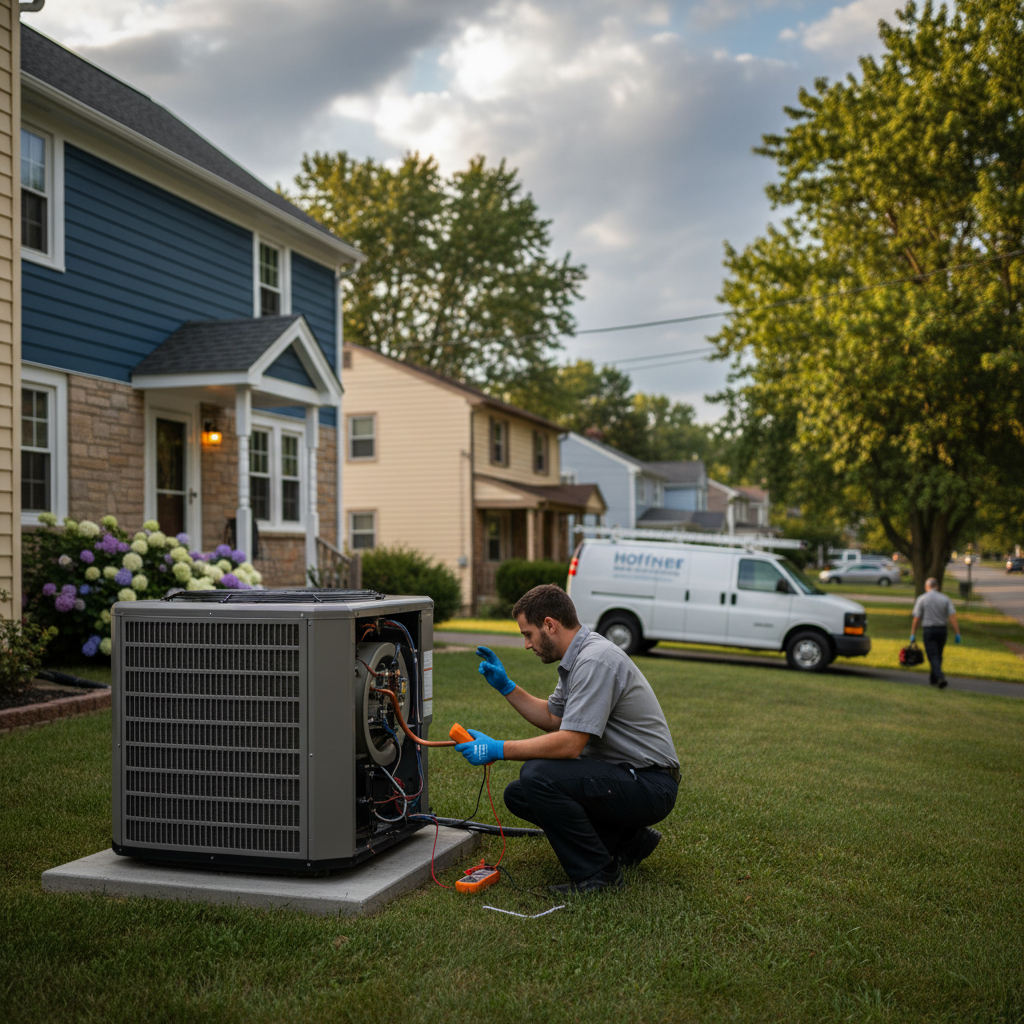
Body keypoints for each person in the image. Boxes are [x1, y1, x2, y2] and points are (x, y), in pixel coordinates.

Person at [454, 584, 679, 895]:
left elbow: (569, 744)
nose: (526, 644)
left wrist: (497, 749)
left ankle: (599, 877)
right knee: (519, 794)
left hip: (650, 784)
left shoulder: (595, 660)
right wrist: (506, 687)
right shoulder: (578, 658)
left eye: (528, 633)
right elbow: (553, 718)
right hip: (629, 777)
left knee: (538, 776)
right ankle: (629, 840)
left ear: (550, 625)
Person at [910, 577, 962, 688]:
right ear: (937, 586)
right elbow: (952, 617)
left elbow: (917, 618)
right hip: (942, 630)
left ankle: (940, 677)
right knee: (938, 654)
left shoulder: (922, 599)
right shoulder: (945, 599)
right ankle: (933, 678)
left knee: (932, 655)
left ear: (926, 586)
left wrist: (913, 633)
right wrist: (957, 633)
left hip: (929, 630)